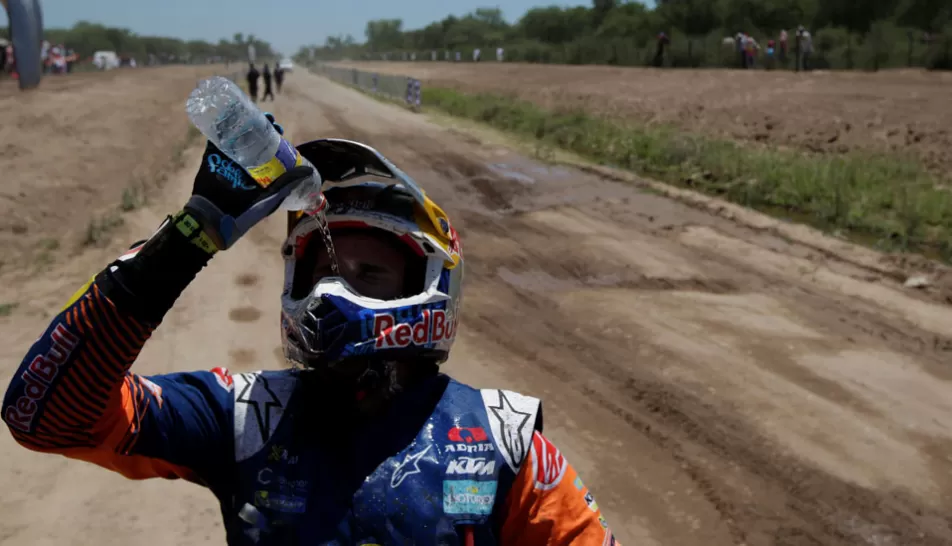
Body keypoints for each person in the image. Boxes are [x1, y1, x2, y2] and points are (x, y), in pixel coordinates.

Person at [2, 116, 620, 545]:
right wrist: (191, 235)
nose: (330, 288)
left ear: (428, 284)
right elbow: (45, 415)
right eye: (319, 266)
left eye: (369, 271)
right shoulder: (245, 416)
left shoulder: (502, 442)